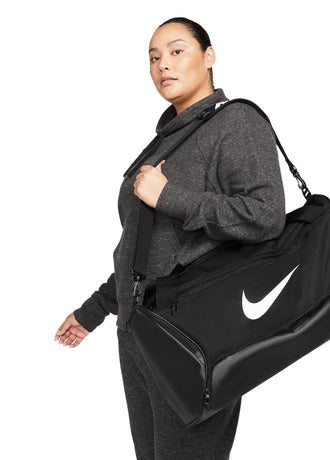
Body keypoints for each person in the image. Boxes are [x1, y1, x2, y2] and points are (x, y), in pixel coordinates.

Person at [54, 16, 286, 460]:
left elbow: (266, 215)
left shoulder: (236, 123)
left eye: (177, 51)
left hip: (192, 335)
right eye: (154, 57)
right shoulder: (166, 141)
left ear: (209, 56)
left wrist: (170, 197)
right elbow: (144, 247)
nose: (163, 64)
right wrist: (95, 310)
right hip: (139, 331)